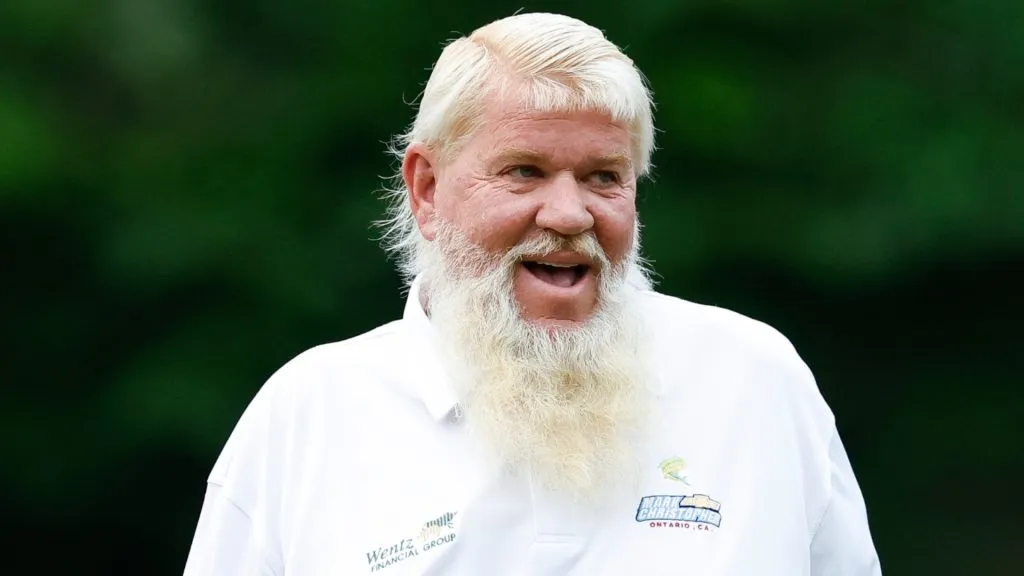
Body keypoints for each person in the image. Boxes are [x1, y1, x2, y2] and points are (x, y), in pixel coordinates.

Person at [183, 11, 881, 576]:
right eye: (524, 171)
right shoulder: (308, 418)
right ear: (427, 189)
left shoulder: (755, 381)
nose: (570, 215)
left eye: (605, 176)